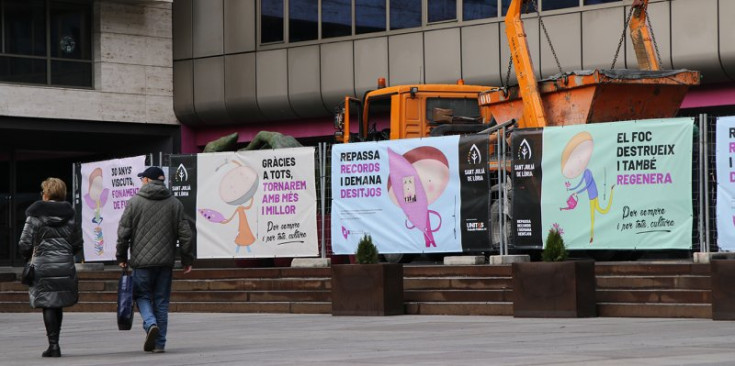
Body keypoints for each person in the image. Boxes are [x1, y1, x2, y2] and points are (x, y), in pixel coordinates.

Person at [116, 166, 194, 353]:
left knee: (141, 296)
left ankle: (150, 324)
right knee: (161, 301)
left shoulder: (134, 202)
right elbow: (186, 235)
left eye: (143, 178)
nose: (142, 181)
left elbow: (123, 232)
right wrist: (187, 260)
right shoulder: (175, 203)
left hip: (141, 262)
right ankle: (160, 344)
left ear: (147, 180)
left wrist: (121, 256)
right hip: (165, 262)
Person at [18, 177, 82, 358]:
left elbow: (24, 243)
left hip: (43, 265)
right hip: (64, 264)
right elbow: (77, 243)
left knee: (48, 304)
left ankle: (53, 345)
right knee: (57, 303)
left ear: (45, 194)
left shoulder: (35, 214)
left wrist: (28, 257)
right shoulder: (70, 215)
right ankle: (55, 343)